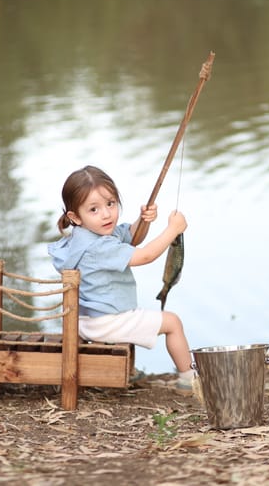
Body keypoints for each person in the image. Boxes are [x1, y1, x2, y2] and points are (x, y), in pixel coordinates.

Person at [48, 165, 197, 394]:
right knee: (172, 323)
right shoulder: (99, 246)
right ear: (75, 217)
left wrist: (144, 220)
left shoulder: (85, 236)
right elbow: (145, 255)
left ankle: (125, 369)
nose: (106, 214)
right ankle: (189, 379)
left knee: (157, 319)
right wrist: (173, 230)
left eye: (111, 203)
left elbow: (131, 237)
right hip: (107, 321)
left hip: (85, 319)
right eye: (94, 209)